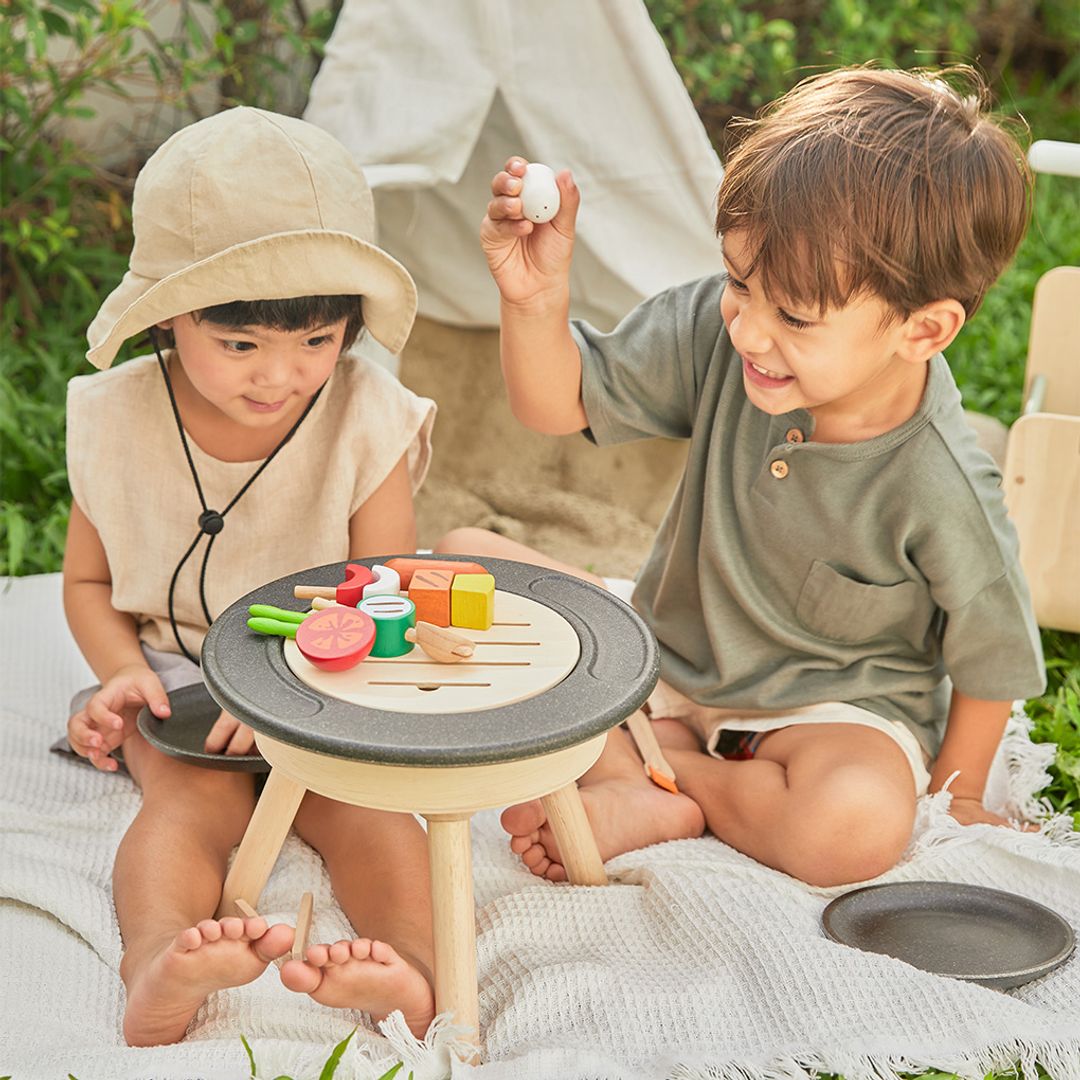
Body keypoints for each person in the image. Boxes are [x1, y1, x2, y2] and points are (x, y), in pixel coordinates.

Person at [442, 66, 1047, 888]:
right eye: (738, 283)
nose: (750, 331)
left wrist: (962, 797)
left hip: (821, 717)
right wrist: (535, 298)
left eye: (794, 315)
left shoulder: (940, 480)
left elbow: (994, 658)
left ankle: (665, 778)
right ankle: (646, 769)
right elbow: (558, 404)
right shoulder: (721, 328)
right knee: (457, 562)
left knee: (851, 826)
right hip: (660, 660)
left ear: (922, 330)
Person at [62, 108, 438, 1046]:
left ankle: (414, 970)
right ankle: (157, 960)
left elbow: (383, 587)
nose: (280, 377)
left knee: (364, 807)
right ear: (170, 315)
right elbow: (87, 586)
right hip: (181, 674)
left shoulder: (366, 418)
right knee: (189, 800)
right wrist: (121, 672)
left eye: (317, 341)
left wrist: (293, 689)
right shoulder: (115, 420)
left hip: (331, 672)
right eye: (241, 345)